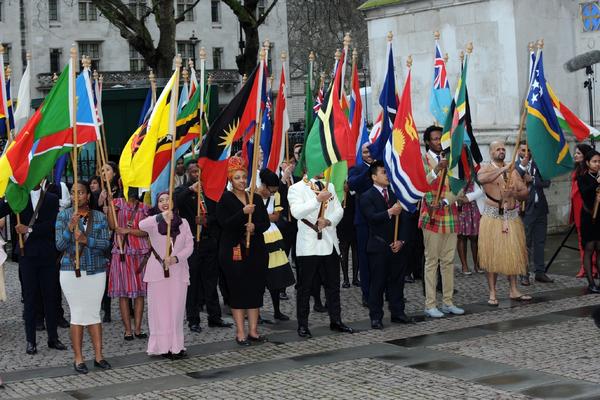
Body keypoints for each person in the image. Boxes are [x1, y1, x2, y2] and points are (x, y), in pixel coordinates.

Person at [0, 184, 67, 354]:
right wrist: (9, 193)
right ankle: (31, 340)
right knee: (29, 298)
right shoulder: (19, 198)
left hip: (47, 254)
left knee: (50, 296)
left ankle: (53, 337)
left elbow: (52, 225)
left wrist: (29, 229)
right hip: (27, 255)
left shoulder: (51, 199)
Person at [288, 172, 354, 338]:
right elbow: (296, 212)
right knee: (305, 287)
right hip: (309, 245)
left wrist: (329, 221)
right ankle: (303, 324)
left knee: (333, 285)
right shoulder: (296, 188)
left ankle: (336, 320)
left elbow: (338, 210)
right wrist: (317, 200)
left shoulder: (329, 185)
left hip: (328, 241)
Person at [55, 181, 112, 374]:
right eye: (73, 193)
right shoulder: (63, 215)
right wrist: (69, 228)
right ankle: (78, 358)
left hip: (96, 271)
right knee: (78, 314)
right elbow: (59, 245)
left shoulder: (100, 216)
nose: (76, 196)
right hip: (72, 271)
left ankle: (98, 356)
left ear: (87, 195)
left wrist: (87, 240)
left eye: (80, 192)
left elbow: (105, 243)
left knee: (94, 313)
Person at [216, 157, 270, 346]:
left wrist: (254, 226)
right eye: (237, 177)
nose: (241, 180)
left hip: (255, 251)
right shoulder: (224, 198)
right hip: (233, 251)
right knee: (238, 291)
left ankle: (254, 331)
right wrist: (242, 213)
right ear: (231, 179)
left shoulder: (255, 198)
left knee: (255, 290)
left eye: (243, 177)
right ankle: (240, 332)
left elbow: (266, 223)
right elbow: (224, 223)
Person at [175, 162, 232, 332]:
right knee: (192, 283)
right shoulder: (183, 190)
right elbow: (175, 201)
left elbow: (220, 214)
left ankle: (214, 317)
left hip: (208, 241)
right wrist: (190, 190)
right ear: (188, 173)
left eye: (198, 171)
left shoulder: (210, 190)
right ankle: (193, 319)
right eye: (192, 172)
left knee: (210, 281)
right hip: (191, 243)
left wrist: (208, 220)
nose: (196, 174)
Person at [140, 192, 194, 358]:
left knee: (176, 309)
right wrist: (161, 216)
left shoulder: (183, 223)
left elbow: (189, 246)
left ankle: (176, 345)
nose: (164, 202)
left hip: (178, 271)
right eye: (161, 200)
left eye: (167, 200)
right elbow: (141, 224)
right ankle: (162, 346)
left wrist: (176, 258)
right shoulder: (153, 223)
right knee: (160, 310)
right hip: (158, 272)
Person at [418, 126, 464, 318]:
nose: (438, 142)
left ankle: (447, 302)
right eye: (434, 139)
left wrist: (447, 200)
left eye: (440, 138)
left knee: (448, 260)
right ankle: (430, 304)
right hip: (431, 214)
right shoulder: (421, 159)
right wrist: (436, 169)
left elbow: (460, 185)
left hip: (449, 213)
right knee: (431, 261)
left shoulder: (452, 159)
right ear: (428, 141)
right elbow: (421, 184)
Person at [478, 141, 531, 305]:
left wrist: (514, 192)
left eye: (503, 149)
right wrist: (501, 170)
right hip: (493, 218)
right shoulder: (486, 168)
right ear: (491, 152)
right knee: (492, 256)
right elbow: (481, 179)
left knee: (512, 255)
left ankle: (514, 290)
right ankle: (492, 293)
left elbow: (524, 193)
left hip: (512, 217)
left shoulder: (513, 171)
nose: (501, 151)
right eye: (497, 149)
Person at [360, 161, 411, 329]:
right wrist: (389, 212)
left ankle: (398, 312)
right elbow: (371, 217)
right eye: (383, 172)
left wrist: (401, 240)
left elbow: (405, 220)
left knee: (397, 281)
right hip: (378, 246)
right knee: (378, 283)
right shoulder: (367, 196)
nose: (387, 175)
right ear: (374, 176)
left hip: (397, 246)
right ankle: (376, 316)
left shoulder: (396, 194)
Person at [106, 187, 150, 340]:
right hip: (122, 253)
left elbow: (146, 231)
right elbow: (112, 226)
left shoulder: (145, 207)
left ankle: (138, 329)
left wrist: (128, 231)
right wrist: (109, 203)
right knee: (123, 294)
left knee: (139, 293)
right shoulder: (116, 203)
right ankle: (127, 330)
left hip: (139, 254)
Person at [258, 169, 295, 320]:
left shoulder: (277, 195)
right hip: (259, 237)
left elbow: (275, 217)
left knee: (276, 275)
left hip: (273, 236)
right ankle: (257, 313)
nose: (273, 191)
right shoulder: (251, 194)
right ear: (264, 185)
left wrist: (260, 216)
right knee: (259, 277)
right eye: (271, 188)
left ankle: (277, 310)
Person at [516, 141, 553, 284]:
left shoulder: (539, 164)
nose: (526, 153)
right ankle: (524, 273)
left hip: (540, 208)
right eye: (523, 150)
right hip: (525, 210)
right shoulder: (515, 166)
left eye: (528, 150)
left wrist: (533, 180)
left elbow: (547, 182)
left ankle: (540, 272)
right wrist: (523, 166)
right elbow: (513, 179)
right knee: (526, 242)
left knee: (540, 241)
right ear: (518, 150)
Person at [348, 143, 373, 306]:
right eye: (365, 151)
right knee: (365, 258)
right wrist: (370, 171)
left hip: (383, 219)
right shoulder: (356, 169)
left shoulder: (385, 165)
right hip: (364, 221)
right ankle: (367, 294)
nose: (369, 154)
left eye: (371, 150)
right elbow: (353, 183)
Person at [576, 150, 600, 293]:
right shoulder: (583, 178)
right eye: (594, 161)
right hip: (589, 217)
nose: (597, 164)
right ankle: (591, 282)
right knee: (590, 248)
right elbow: (585, 193)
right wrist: (596, 183)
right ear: (587, 163)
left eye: (599, 161)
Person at [572, 144, 596, 278]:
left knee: (590, 242)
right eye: (575, 153)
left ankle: (590, 268)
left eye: (579, 153)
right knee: (584, 241)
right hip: (578, 210)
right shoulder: (577, 172)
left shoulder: (586, 174)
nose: (575, 155)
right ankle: (587, 267)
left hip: (587, 210)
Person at [337, 181, 359, 288]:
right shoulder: (338, 190)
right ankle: (345, 279)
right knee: (344, 250)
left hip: (355, 223)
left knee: (356, 251)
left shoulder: (355, 190)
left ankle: (355, 278)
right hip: (342, 224)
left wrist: (350, 189)